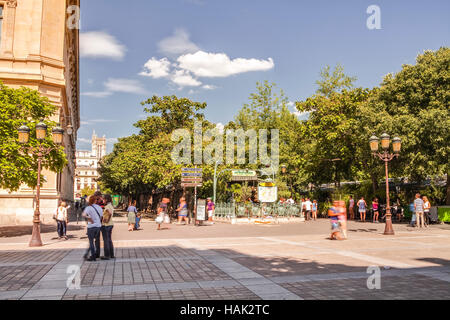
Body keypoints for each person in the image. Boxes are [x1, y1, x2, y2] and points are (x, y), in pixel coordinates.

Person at [82, 195, 103, 261]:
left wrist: (89, 218)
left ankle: (93, 256)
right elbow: (101, 217)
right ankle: (97, 254)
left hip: (91, 226)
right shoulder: (99, 207)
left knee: (91, 242)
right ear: (95, 200)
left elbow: (83, 215)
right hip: (98, 226)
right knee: (97, 241)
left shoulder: (88, 208)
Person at [101, 195, 115, 260]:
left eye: (103, 199)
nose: (102, 201)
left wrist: (107, 220)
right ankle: (111, 254)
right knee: (109, 240)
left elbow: (109, 213)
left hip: (107, 225)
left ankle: (107, 255)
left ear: (106, 199)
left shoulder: (107, 206)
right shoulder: (111, 205)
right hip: (110, 224)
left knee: (106, 240)